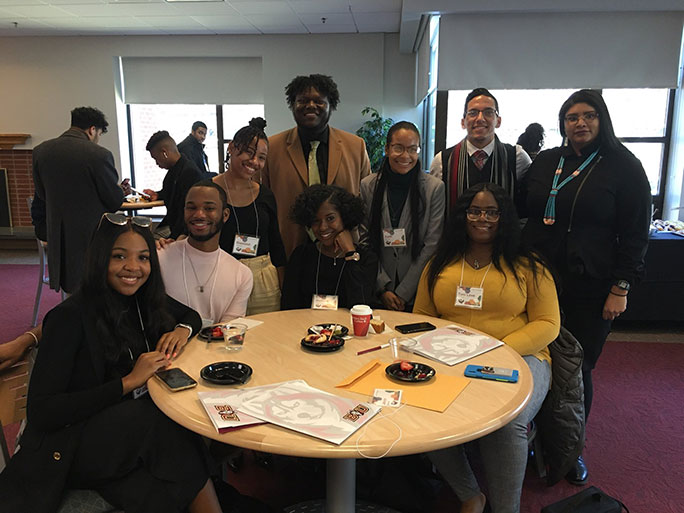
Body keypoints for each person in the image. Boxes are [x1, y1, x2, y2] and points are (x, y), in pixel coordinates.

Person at [0, 214, 224, 513]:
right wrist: (128, 382)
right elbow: (42, 412)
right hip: (72, 444)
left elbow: (190, 317)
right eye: (119, 256)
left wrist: (180, 332)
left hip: (123, 436)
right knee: (162, 422)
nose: (133, 267)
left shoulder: (142, 300)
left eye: (143, 258)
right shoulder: (70, 317)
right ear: (99, 258)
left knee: (168, 470)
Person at [522, 89, 651, 485]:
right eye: (571, 116)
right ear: (562, 123)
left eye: (588, 115)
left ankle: (571, 447)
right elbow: (522, 210)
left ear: (602, 120)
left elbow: (635, 233)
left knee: (576, 369)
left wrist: (621, 287)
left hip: (592, 286)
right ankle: (533, 440)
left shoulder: (624, 167)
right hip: (540, 281)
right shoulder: (547, 161)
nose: (580, 123)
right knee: (537, 362)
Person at [414, 182, 560, 513]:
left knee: (506, 421)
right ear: (463, 216)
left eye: (492, 211)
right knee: (421, 407)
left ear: (504, 217)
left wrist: (500, 350)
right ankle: (470, 495)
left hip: (522, 357)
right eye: (475, 211)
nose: (483, 218)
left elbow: (548, 324)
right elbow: (422, 316)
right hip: (449, 358)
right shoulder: (441, 262)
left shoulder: (528, 264)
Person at [263, 74, 371, 257]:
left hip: (343, 251)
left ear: (331, 105)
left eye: (319, 101)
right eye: (302, 100)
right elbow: (264, 202)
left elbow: (366, 201)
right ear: (292, 105)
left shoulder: (355, 146)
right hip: (291, 251)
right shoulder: (271, 148)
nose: (310, 105)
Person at [32, 106, 130, 293]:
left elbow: (42, 194)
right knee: (96, 288)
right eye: (99, 133)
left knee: (72, 291)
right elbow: (113, 201)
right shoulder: (99, 155)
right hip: (92, 235)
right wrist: (120, 192)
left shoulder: (40, 151)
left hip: (59, 236)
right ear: (92, 129)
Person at [359, 121, 445, 311]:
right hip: (377, 290)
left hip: (416, 291)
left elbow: (432, 244)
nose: (405, 156)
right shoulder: (368, 186)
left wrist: (404, 292)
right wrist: (382, 287)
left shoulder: (434, 188)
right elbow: (364, 240)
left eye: (412, 149)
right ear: (387, 149)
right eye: (398, 148)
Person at [213, 118, 287, 315]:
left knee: (265, 339)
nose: (255, 162)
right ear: (231, 148)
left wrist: (283, 289)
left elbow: (276, 243)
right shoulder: (208, 190)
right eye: (249, 152)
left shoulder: (265, 195)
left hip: (262, 279)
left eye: (261, 157)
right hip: (220, 275)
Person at [158, 180, 253, 326]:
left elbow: (229, 330)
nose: (199, 214)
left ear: (225, 215)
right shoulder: (160, 256)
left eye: (209, 208)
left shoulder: (242, 275)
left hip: (215, 348)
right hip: (166, 347)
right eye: (191, 207)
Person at [429, 88, 531, 216]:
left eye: (488, 112)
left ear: (498, 121)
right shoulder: (443, 161)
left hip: (504, 235)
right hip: (457, 235)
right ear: (463, 122)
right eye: (473, 113)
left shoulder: (517, 157)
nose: (480, 118)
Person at [281, 184, 377, 310]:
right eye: (316, 221)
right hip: (305, 326)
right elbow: (289, 307)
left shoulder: (365, 259)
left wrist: (350, 253)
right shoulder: (302, 255)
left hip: (348, 327)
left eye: (330, 218)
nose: (322, 227)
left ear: (344, 216)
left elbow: (361, 307)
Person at [143, 130, 204, 239]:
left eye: (156, 158)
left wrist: (178, 237)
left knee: (150, 243)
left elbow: (189, 211)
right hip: (174, 226)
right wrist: (157, 195)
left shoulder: (189, 172)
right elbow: (171, 193)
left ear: (164, 152)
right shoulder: (174, 170)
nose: (156, 163)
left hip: (184, 232)